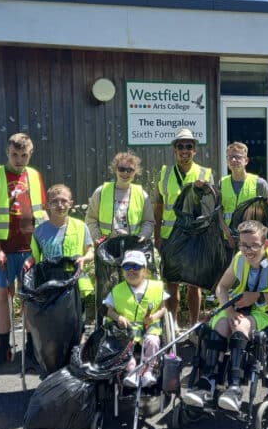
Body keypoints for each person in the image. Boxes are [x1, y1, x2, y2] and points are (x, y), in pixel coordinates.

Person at [182, 220, 268, 412]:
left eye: (254, 245)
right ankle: (207, 383)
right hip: (239, 306)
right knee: (221, 325)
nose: (248, 251)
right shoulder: (239, 258)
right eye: (243, 245)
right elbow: (222, 287)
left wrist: (258, 296)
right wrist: (229, 311)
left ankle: (234, 388)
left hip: (267, 311)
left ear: (265, 244)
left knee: (240, 326)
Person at [0, 132, 46, 370]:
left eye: (24, 155)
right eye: (14, 154)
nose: (19, 160)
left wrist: (44, 247)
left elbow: (42, 212)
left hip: (29, 249)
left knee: (29, 299)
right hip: (3, 250)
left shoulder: (34, 175)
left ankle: (31, 349)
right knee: (4, 296)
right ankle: (3, 346)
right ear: (7, 152)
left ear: (30, 154)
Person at [154, 128, 213, 327]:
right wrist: (157, 236)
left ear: (195, 150)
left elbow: (212, 207)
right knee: (172, 283)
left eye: (189, 146)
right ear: (175, 150)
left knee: (194, 285)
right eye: (180, 146)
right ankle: (173, 325)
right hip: (169, 236)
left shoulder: (205, 173)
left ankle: (194, 325)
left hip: (194, 237)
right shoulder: (165, 173)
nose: (184, 150)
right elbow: (158, 206)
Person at [85, 151, 156, 316]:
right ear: (115, 169)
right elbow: (91, 219)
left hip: (133, 248)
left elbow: (148, 221)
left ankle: (132, 320)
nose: (125, 173)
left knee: (132, 287)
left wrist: (144, 235)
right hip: (107, 247)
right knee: (106, 288)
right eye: (122, 169)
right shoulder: (101, 192)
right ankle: (104, 322)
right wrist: (98, 238)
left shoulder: (141, 194)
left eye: (130, 170)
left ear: (135, 172)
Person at [30, 184, 95, 351]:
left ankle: (77, 353)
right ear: (47, 205)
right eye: (55, 201)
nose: (60, 205)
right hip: (51, 284)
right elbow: (35, 259)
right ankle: (57, 355)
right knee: (54, 323)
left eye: (64, 201)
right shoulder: (40, 231)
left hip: (75, 283)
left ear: (71, 203)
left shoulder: (80, 226)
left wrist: (84, 259)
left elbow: (90, 251)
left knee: (76, 322)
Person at [103, 250, 169, 388]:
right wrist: (119, 317)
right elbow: (109, 312)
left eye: (136, 266)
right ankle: (131, 370)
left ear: (144, 270)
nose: (131, 270)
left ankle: (147, 371)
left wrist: (154, 316)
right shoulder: (117, 290)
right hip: (126, 328)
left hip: (149, 326)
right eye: (127, 267)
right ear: (123, 270)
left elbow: (164, 309)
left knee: (153, 341)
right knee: (122, 343)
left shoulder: (156, 287)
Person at [218, 142, 268, 265]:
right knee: (230, 273)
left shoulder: (259, 184)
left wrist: (261, 238)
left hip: (252, 242)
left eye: (238, 157)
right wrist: (227, 233)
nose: (234, 160)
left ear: (246, 160)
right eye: (230, 157)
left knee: (250, 274)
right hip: (228, 241)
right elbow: (218, 211)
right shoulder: (222, 183)